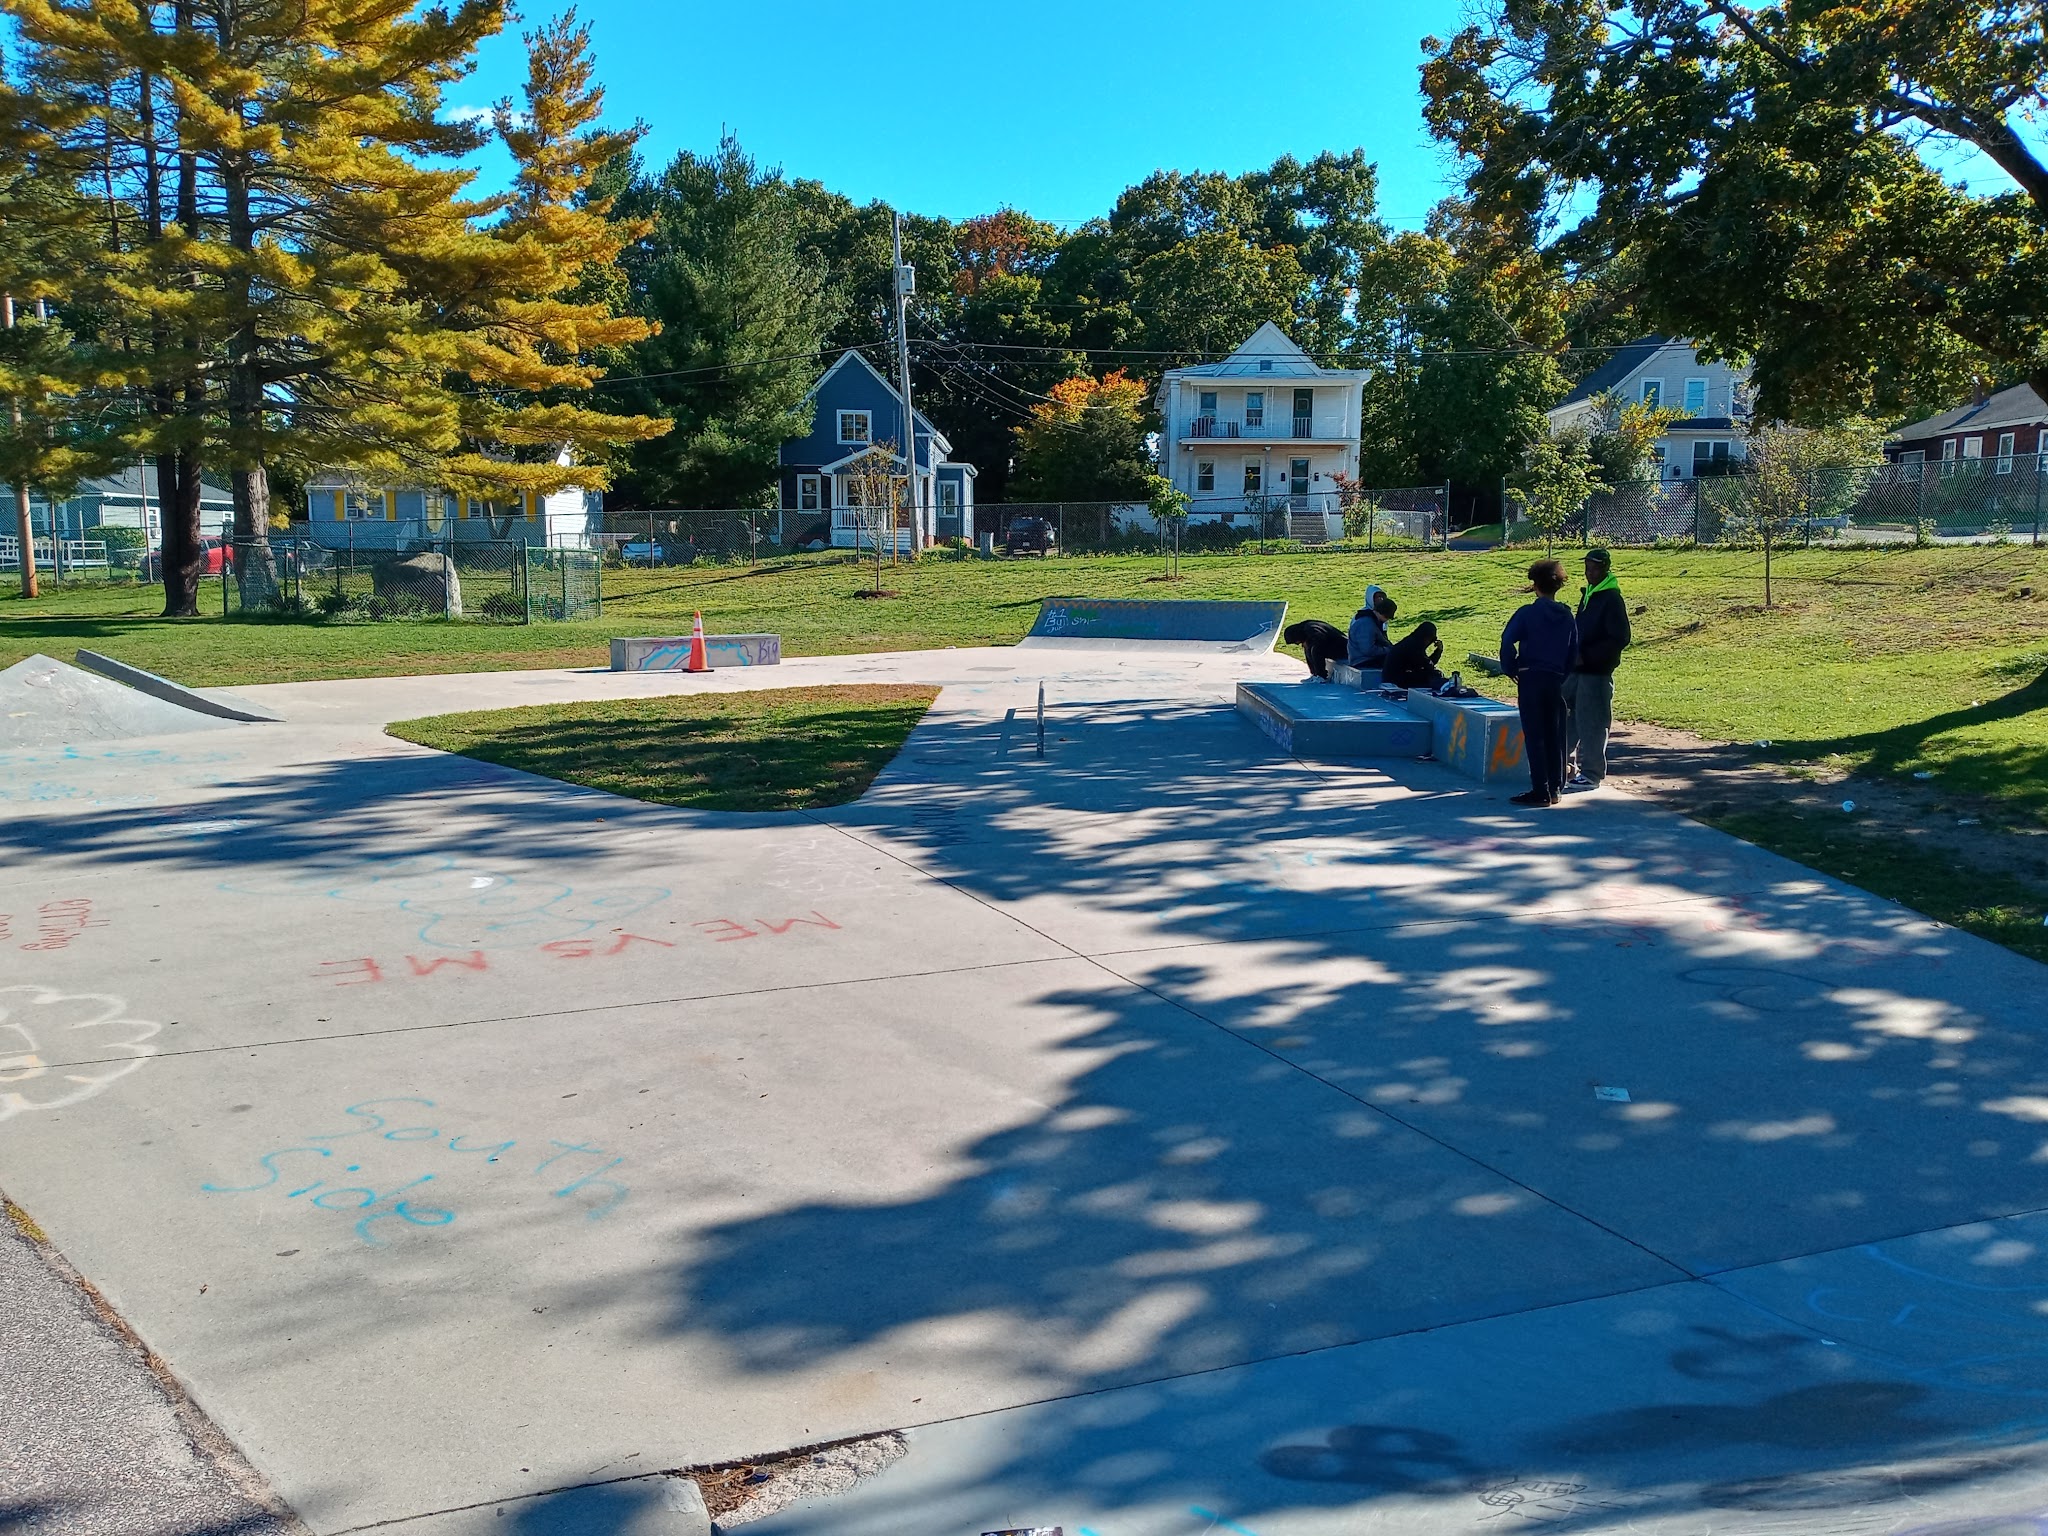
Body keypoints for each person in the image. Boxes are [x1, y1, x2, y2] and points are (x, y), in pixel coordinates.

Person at [1499, 558, 1578, 807]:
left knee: (1535, 735)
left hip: (1530, 677)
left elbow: (1507, 640)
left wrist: (1511, 667)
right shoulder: (1567, 616)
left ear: (1535, 586)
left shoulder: (1527, 613)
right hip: (1554, 680)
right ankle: (1555, 788)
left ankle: (1540, 789)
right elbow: (1573, 652)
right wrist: (1561, 675)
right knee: (1555, 734)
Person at [1565, 547, 1631, 791]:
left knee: (1592, 723)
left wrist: (1589, 657)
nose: (1589, 573)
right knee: (1567, 716)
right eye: (1587, 568)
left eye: (1594, 569)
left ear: (1605, 569)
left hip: (1596, 673)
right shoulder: (1589, 595)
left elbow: (1620, 637)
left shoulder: (1611, 598)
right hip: (1577, 670)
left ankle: (1591, 774)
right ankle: (1564, 764)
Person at [1381, 621, 1446, 689]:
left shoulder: (1412, 641)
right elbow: (1427, 665)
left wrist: (1438, 651)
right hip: (1396, 680)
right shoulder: (1414, 647)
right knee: (1432, 676)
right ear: (1427, 638)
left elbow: (1426, 663)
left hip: (1394, 677)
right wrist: (1438, 651)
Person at [1282, 618, 1350, 682]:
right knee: (1308, 647)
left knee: (1315, 649)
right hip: (1335, 646)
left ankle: (1321, 676)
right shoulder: (1306, 628)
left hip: (1343, 648)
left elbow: (1320, 644)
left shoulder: (1312, 629)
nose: (1297, 644)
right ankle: (1314, 674)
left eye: (1296, 642)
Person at [1347, 585, 1397, 669]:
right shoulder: (1366, 623)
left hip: (1366, 658)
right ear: (1382, 613)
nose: (1387, 620)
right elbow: (1368, 650)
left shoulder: (1373, 620)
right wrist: (1388, 650)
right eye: (1387, 617)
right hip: (1362, 660)